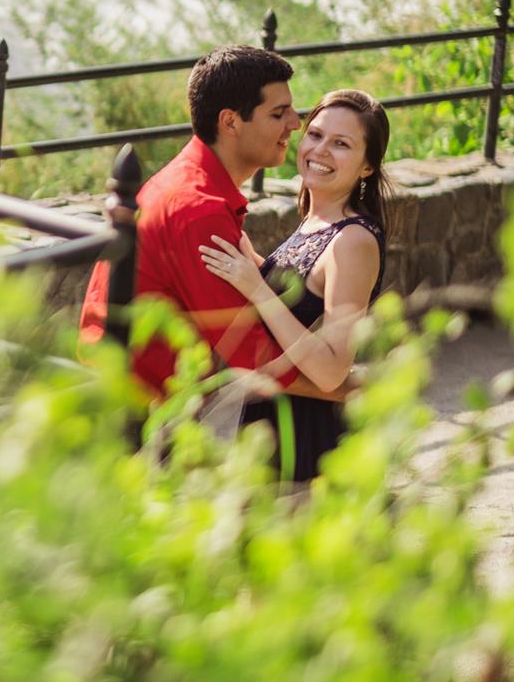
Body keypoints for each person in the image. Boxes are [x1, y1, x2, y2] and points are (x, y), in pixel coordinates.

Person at [79, 45, 303, 407]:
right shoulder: (199, 209)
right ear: (230, 122)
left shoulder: (191, 183)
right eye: (279, 113)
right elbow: (256, 358)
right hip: (135, 409)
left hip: (129, 387)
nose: (295, 122)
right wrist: (355, 388)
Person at [197, 88, 390, 482]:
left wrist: (256, 287)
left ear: (367, 166)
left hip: (308, 441)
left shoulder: (353, 241)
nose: (320, 150)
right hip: (274, 425)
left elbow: (332, 370)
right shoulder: (317, 221)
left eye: (341, 144)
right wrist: (250, 259)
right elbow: (300, 297)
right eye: (315, 135)